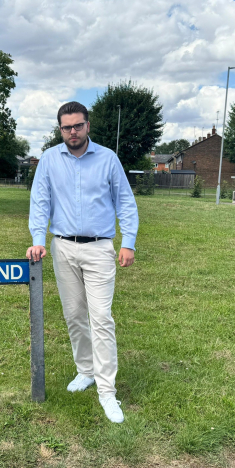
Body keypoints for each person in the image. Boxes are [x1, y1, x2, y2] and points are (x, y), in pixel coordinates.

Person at [26, 101, 138, 424]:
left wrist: (127, 242)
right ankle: (85, 370)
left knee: (101, 318)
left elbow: (126, 204)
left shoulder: (108, 159)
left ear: (88, 125)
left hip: (100, 248)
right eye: (66, 127)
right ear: (59, 129)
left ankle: (107, 391)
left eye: (77, 126)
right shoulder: (49, 160)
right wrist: (38, 239)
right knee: (74, 315)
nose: (72, 132)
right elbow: (40, 202)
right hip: (62, 248)